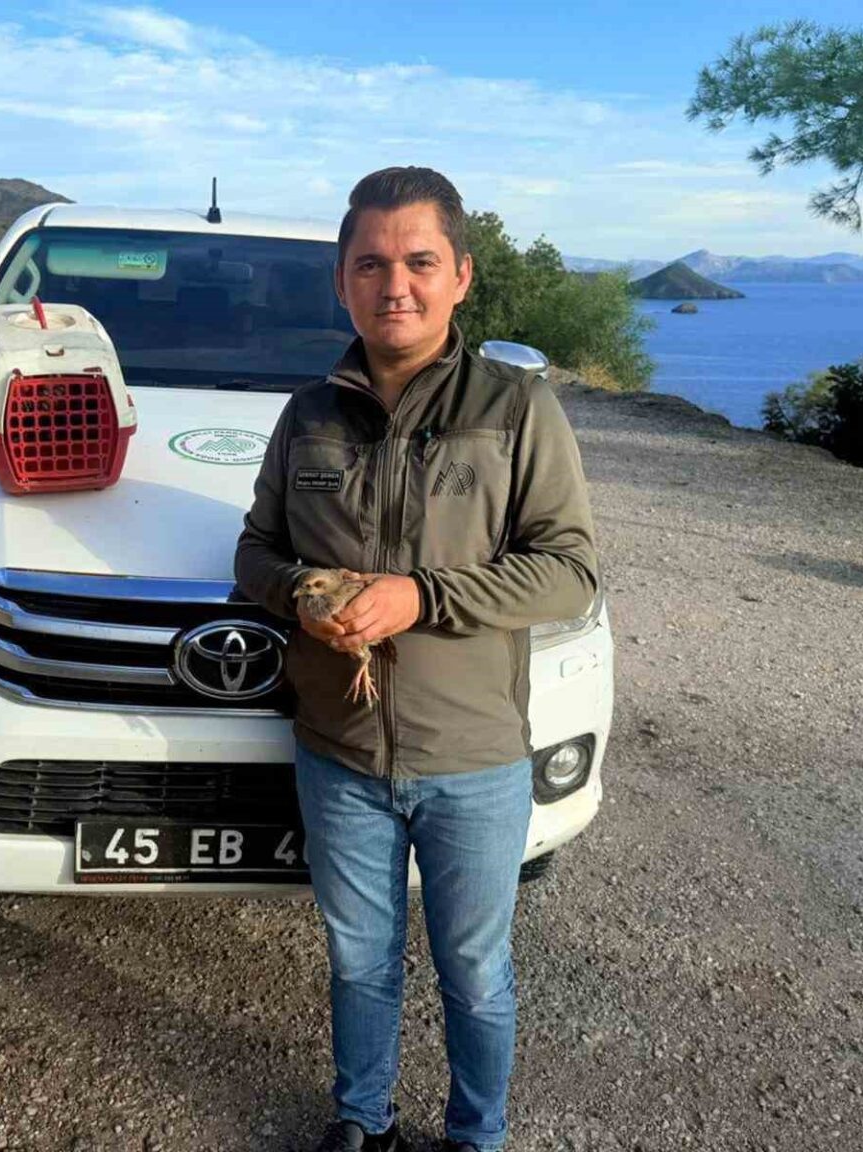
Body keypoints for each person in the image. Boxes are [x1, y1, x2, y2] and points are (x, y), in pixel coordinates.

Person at [234, 167, 600, 1152]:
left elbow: (569, 573)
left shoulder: (517, 410)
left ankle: (477, 1135)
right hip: (339, 753)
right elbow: (254, 554)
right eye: (371, 264)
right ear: (341, 282)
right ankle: (364, 1121)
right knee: (359, 962)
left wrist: (419, 597)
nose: (394, 285)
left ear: (461, 276)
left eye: (419, 262)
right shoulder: (306, 415)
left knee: (475, 972)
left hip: (473, 757)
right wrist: (305, 597)